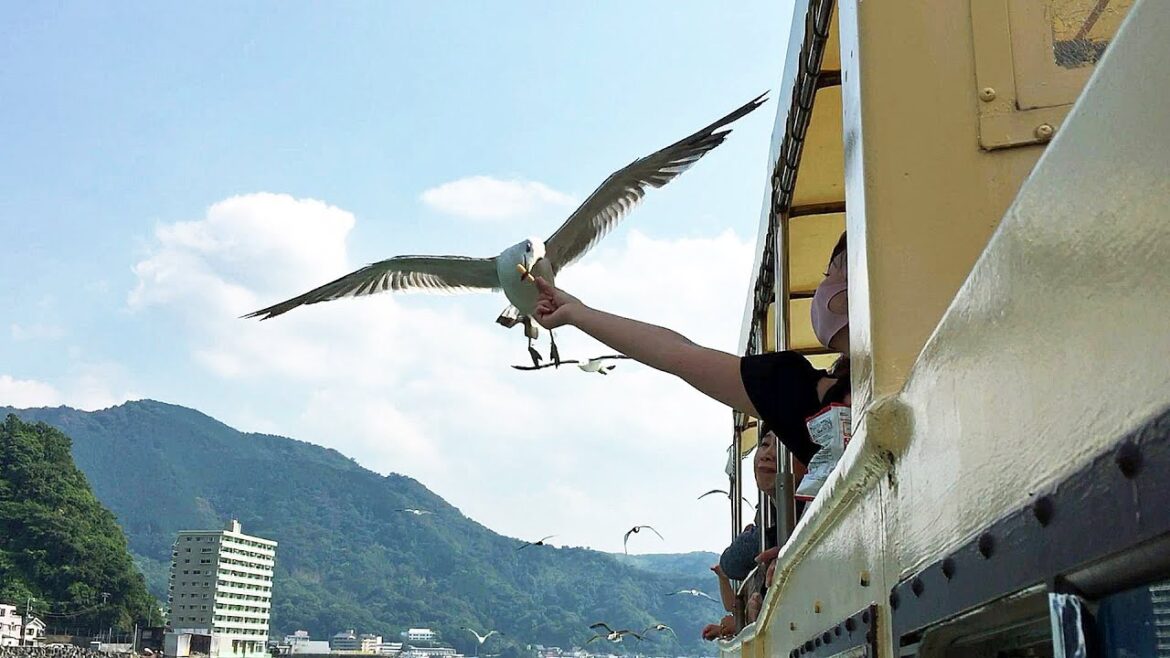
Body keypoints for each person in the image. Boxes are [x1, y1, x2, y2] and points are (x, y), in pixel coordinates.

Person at [532, 232, 851, 466]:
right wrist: (577, 313)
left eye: (841, 271)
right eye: (829, 274)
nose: (826, 287)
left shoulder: (809, 391)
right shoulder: (797, 387)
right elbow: (676, 353)